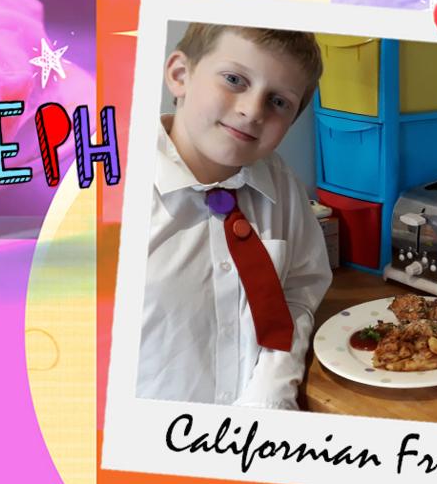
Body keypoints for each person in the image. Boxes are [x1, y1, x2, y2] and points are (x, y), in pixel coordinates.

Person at [137, 23, 331, 410]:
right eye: (234, 79)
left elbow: (298, 289)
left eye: (278, 102)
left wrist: (272, 390)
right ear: (180, 75)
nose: (252, 110)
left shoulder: (281, 184)